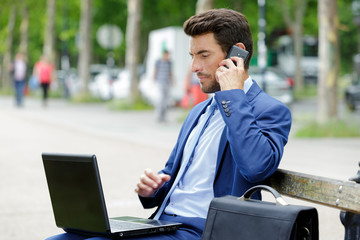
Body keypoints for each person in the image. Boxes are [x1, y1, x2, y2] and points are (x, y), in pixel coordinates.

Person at [46, 8, 292, 240]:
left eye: (204, 55)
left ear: (236, 55)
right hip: (165, 225)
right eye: (192, 56)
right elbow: (170, 174)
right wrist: (153, 189)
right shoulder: (199, 112)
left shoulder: (270, 111)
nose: (194, 66)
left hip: (206, 230)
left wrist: (233, 96)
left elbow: (255, 167)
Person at [154, 50, 173, 122]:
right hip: (160, 82)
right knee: (161, 99)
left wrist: (172, 81)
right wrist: (154, 79)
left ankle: (164, 116)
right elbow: (155, 70)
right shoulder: (158, 62)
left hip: (167, 82)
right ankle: (159, 115)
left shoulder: (169, 63)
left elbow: (170, 72)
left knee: (166, 100)